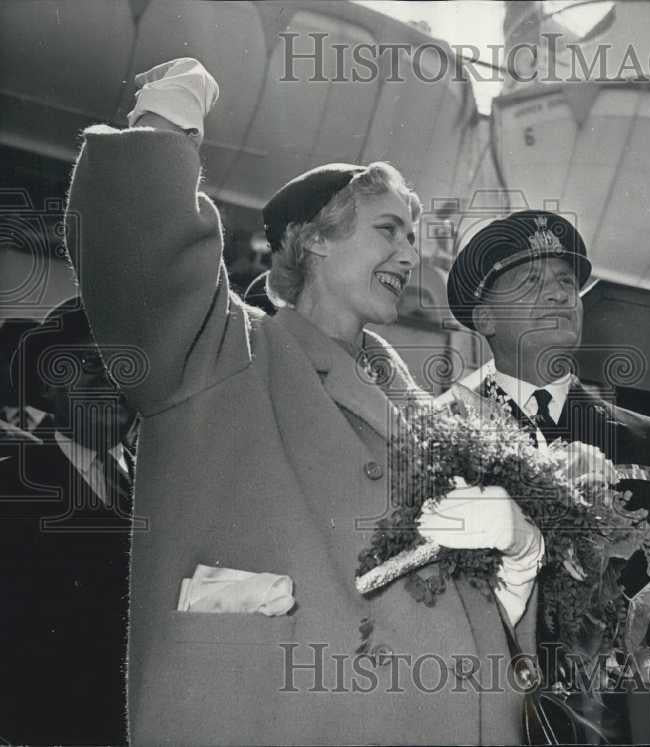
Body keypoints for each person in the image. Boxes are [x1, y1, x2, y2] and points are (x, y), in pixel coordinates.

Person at [65, 58, 542, 745]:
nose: (410, 253)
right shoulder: (221, 351)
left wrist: (520, 558)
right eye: (387, 229)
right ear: (315, 237)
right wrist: (164, 121)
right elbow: (140, 253)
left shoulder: (432, 419)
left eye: (413, 234)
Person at [445, 210, 650, 744]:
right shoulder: (445, 434)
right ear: (484, 318)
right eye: (531, 282)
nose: (558, 294)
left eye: (566, 282)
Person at [0, 298, 135, 745]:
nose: (115, 383)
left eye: (127, 368)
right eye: (94, 364)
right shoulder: (12, 489)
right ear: (46, 384)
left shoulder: (165, 481)